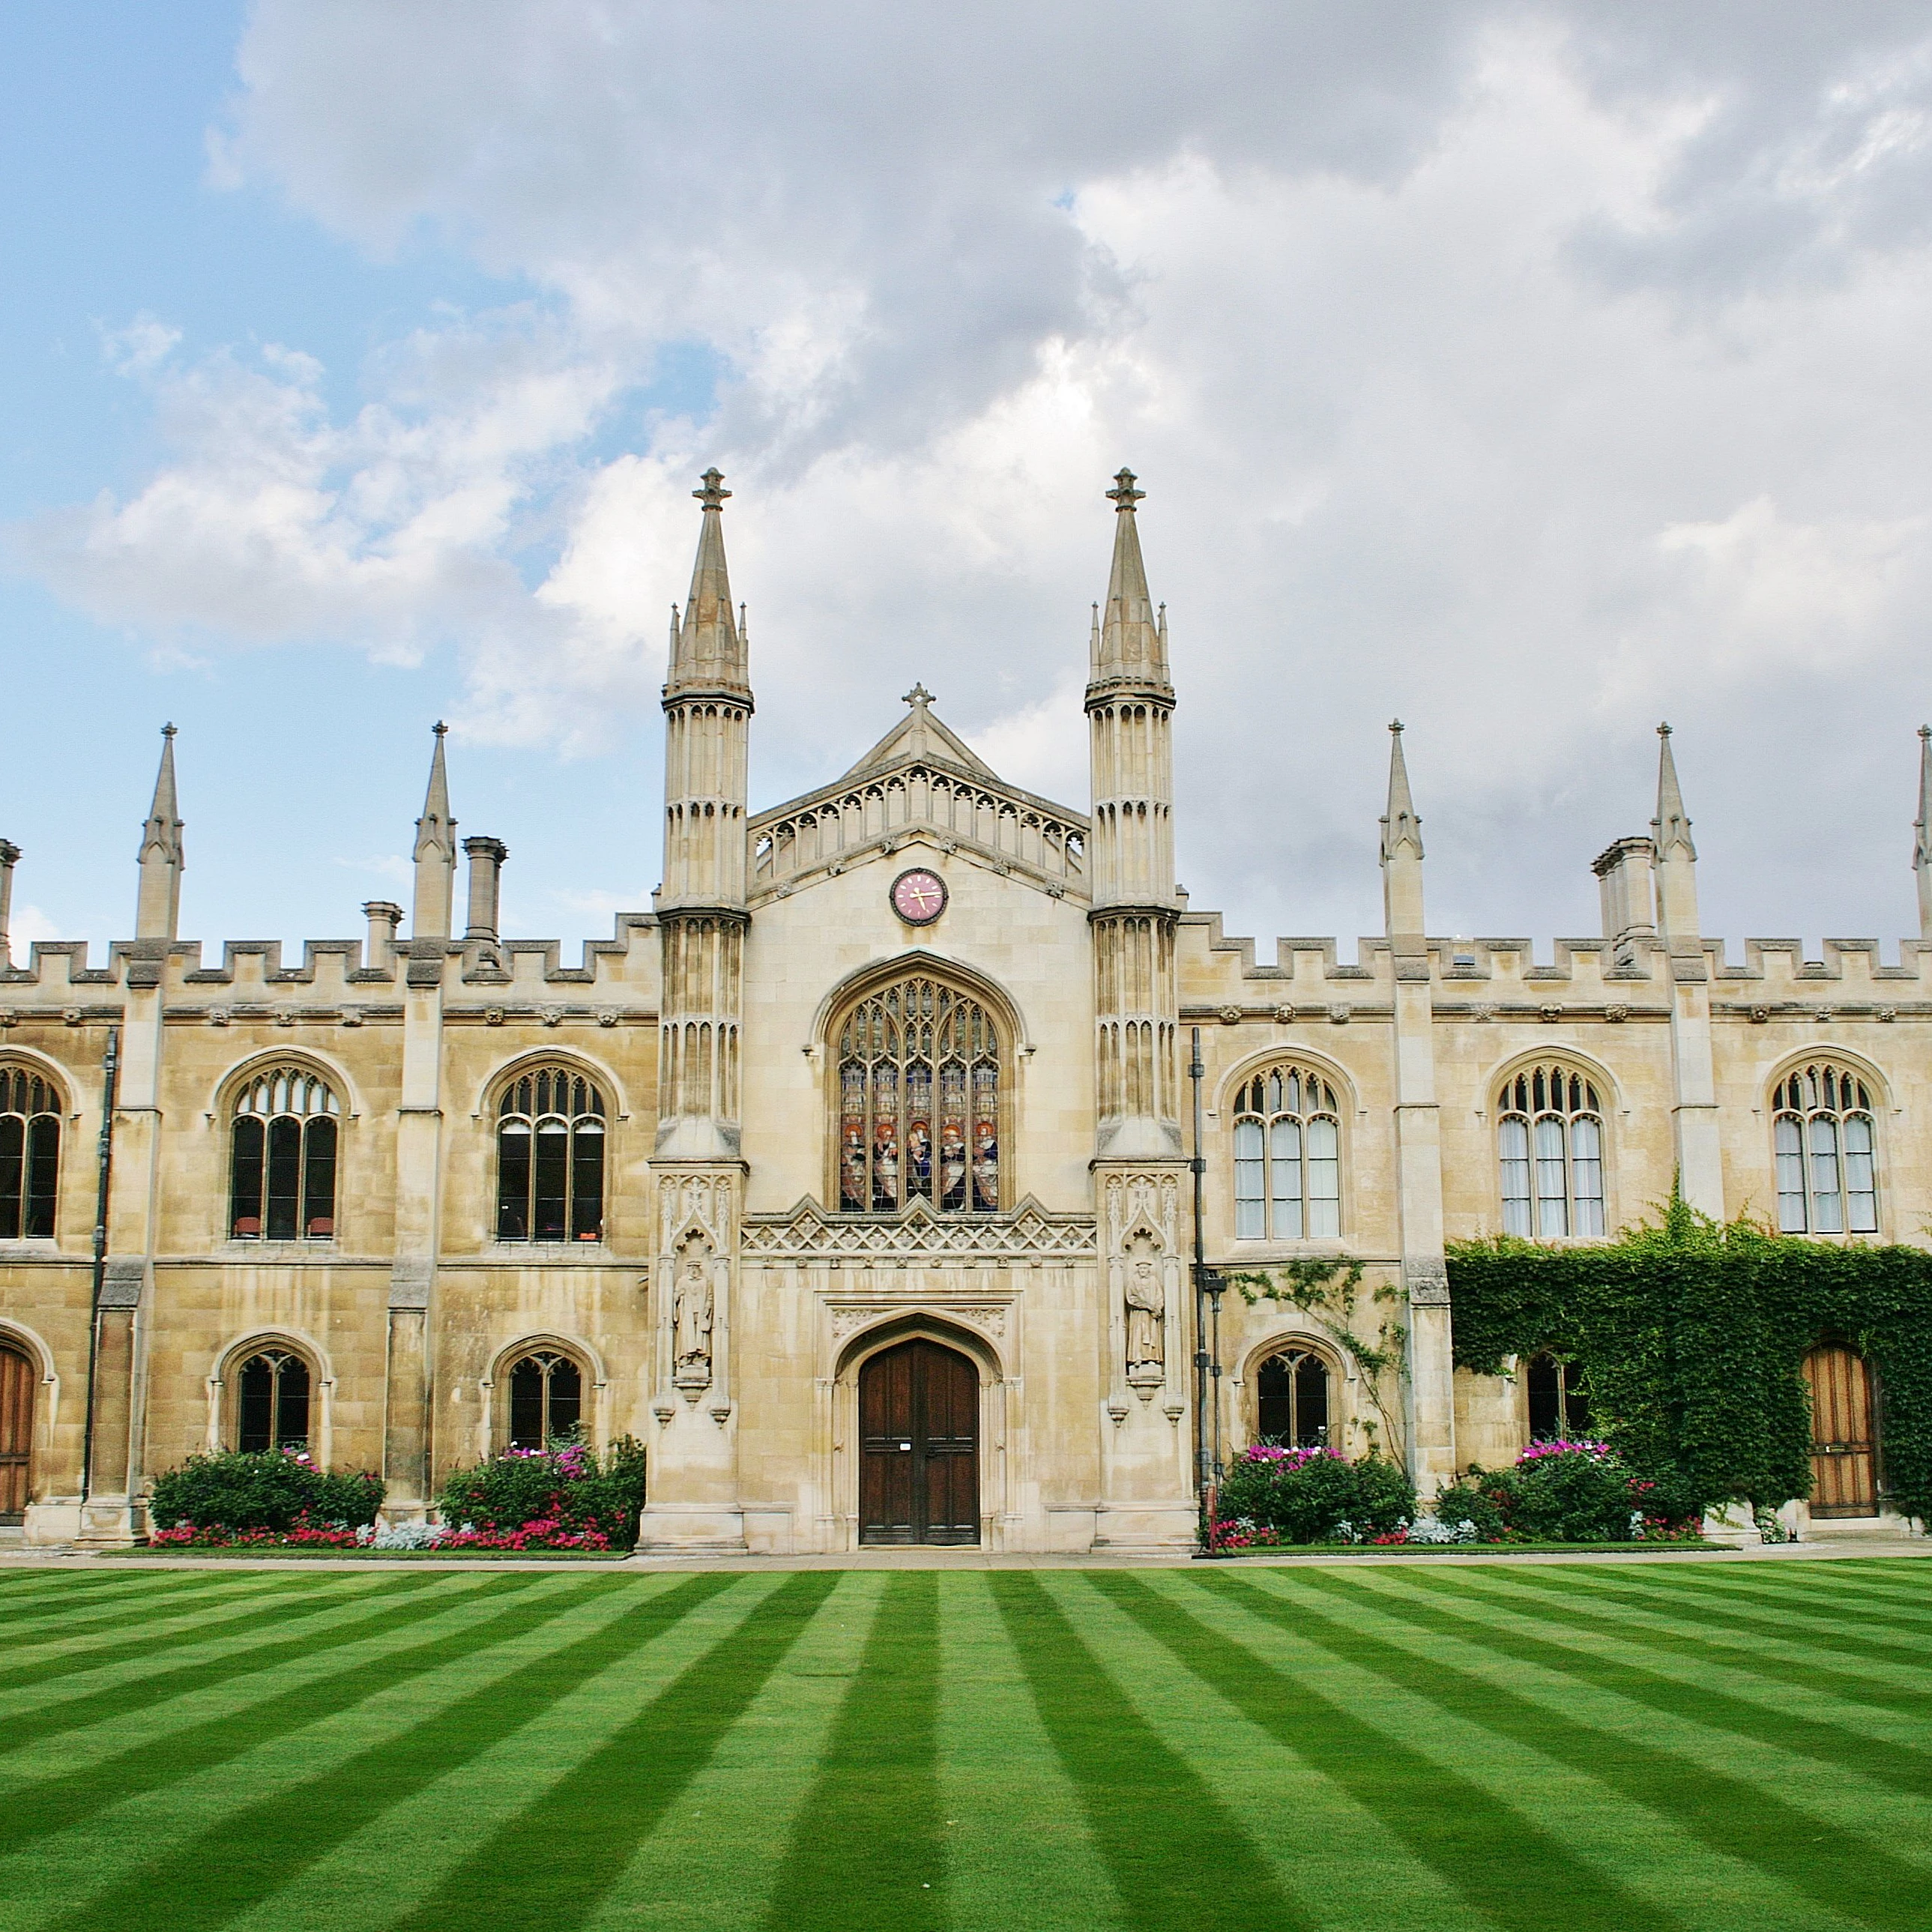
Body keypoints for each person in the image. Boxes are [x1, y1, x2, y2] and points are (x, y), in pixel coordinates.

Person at [1126, 1255, 1165, 1372]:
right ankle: (1137, 1357)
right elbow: (1131, 1298)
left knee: (1152, 1335)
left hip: (1151, 1316)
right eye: (1141, 1269)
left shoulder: (1153, 1281)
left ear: (1148, 1270)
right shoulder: (1134, 1281)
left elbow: (1159, 1297)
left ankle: (1151, 1357)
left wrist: (1157, 1308)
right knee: (1139, 1334)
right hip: (1139, 1314)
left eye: (1145, 1268)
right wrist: (1147, 1306)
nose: (1143, 1271)